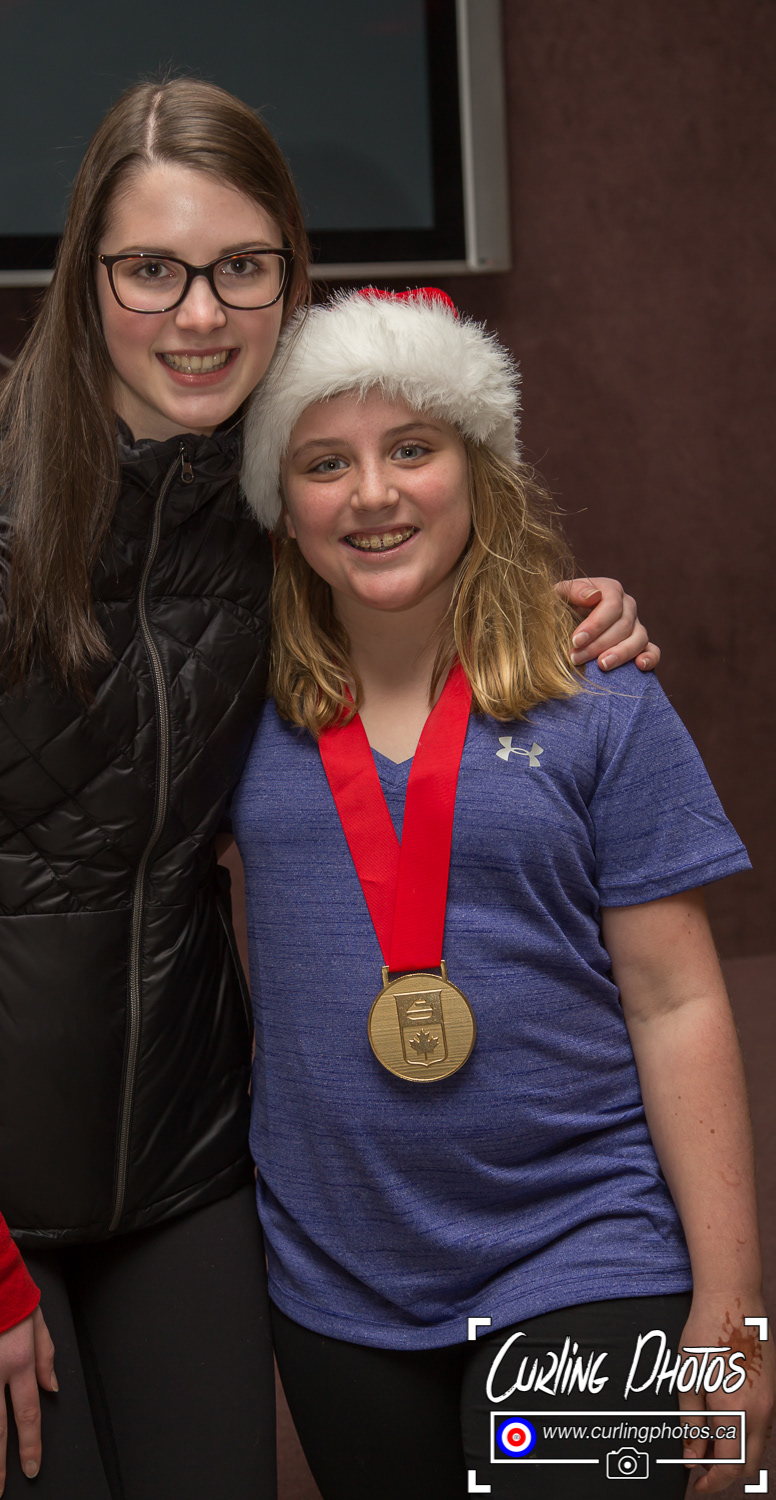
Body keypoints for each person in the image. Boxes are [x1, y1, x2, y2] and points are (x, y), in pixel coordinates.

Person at [0, 81, 656, 1500]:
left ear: (291, 279)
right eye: (152, 269)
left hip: (184, 1165)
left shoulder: (275, 513)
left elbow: (413, 571)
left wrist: (563, 607)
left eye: (242, 267)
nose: (200, 315)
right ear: (88, 278)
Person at [229, 286, 773, 1497]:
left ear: (478, 473)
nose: (372, 494)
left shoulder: (602, 696)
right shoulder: (238, 714)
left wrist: (734, 1309)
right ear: (282, 508)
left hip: (583, 1244)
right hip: (336, 1273)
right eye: (325, 463)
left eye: (412, 448)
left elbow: (676, 1002)